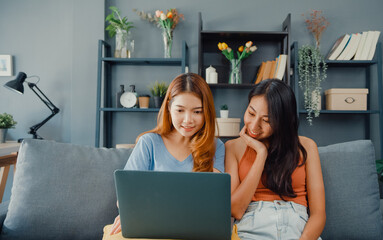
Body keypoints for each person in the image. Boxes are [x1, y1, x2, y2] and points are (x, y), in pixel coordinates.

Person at [105, 73, 225, 237]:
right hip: (150, 225)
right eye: (180, 110)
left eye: (197, 112)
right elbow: (126, 199)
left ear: (207, 113)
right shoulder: (149, 143)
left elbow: (215, 201)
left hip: (196, 229)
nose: (188, 120)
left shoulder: (216, 146)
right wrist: (130, 213)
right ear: (169, 107)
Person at [225, 79, 325, 240]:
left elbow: (318, 214)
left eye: (266, 120)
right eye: (251, 113)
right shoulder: (232, 147)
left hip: (299, 229)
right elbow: (235, 209)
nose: (254, 126)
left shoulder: (306, 146)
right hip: (252, 228)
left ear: (283, 122)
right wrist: (261, 154)